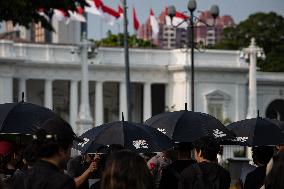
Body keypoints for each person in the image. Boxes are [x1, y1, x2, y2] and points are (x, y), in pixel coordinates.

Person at [23, 117, 81, 189]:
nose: (70, 155)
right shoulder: (63, 183)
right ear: (61, 150)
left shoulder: (25, 177)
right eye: (70, 148)